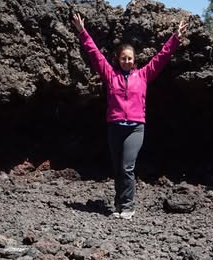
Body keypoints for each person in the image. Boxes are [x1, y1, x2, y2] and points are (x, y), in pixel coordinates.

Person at [72, 11, 187, 219]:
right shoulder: (110, 74)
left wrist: (175, 38)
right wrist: (82, 32)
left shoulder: (143, 75)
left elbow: (162, 57)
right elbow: (94, 54)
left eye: (130, 58)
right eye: (123, 58)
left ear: (134, 61)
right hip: (115, 126)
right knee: (117, 168)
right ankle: (118, 205)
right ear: (118, 59)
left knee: (127, 166)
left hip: (135, 127)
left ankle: (128, 207)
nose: (126, 61)